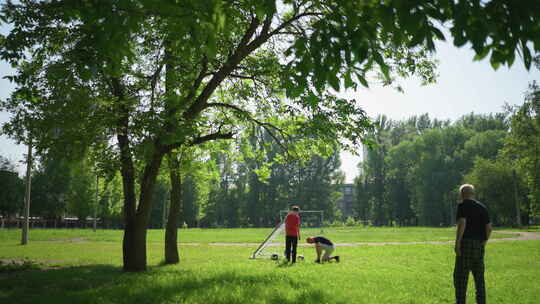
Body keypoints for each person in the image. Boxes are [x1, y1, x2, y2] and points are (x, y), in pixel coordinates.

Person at [454, 184, 492, 304]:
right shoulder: (482, 207)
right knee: (479, 279)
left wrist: (457, 243)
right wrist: (485, 241)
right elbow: (489, 228)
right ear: (473, 193)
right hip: (479, 245)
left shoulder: (462, 206)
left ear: (462, 194)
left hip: (466, 244)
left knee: (460, 278)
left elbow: (462, 223)